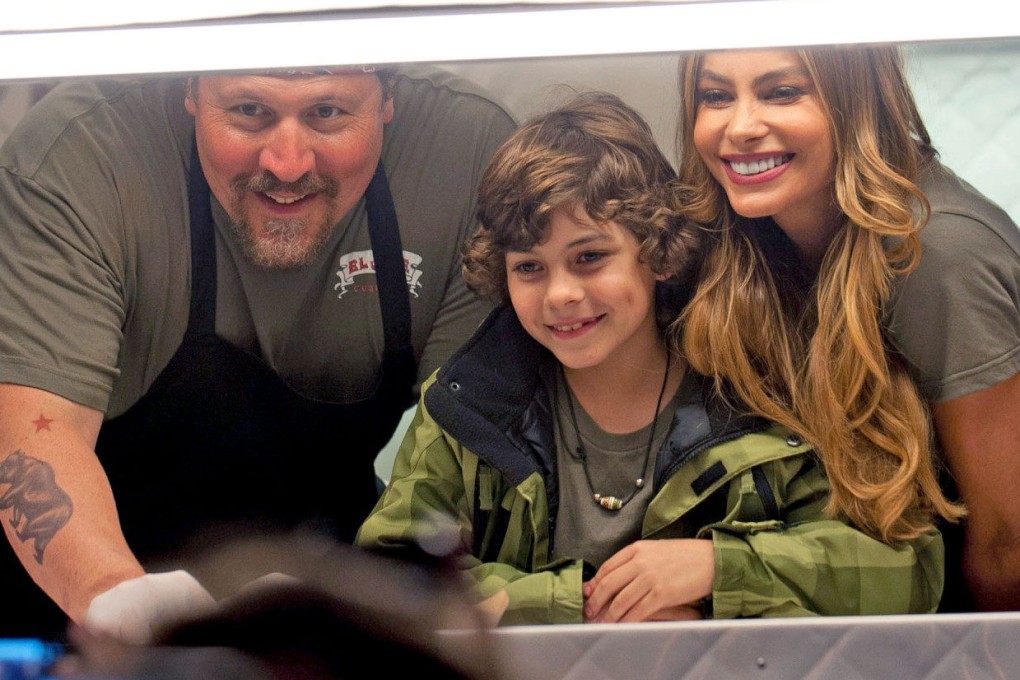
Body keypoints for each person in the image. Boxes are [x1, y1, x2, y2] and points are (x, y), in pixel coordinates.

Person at [356, 92, 944, 624]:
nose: (560, 294)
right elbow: (387, 582)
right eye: (528, 267)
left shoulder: (764, 386)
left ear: (659, 253)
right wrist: (579, 604)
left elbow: (905, 569)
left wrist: (718, 569)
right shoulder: (464, 409)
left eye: (589, 257)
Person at [0, 64, 516, 640]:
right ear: (191, 90)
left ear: (387, 97)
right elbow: (38, 431)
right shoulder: (83, 154)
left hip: (327, 601)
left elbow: (466, 460)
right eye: (249, 111)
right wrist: (119, 601)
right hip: (69, 605)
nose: (287, 164)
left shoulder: (469, 156)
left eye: (327, 113)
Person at [674, 45, 1020, 612]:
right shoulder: (749, 234)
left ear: (858, 102)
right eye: (715, 96)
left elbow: (1007, 543)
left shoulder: (936, 254)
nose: (740, 127)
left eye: (782, 92)